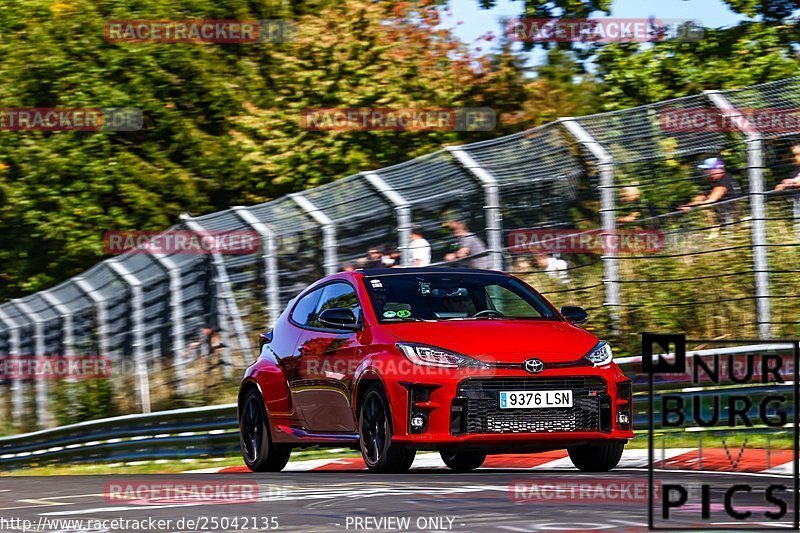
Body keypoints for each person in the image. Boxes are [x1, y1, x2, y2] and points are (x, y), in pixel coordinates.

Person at [678, 157, 742, 227]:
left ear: (715, 170)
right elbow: (702, 196)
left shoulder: (724, 181)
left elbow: (711, 200)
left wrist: (694, 208)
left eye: (707, 169)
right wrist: (689, 206)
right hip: (723, 219)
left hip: (730, 219)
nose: (705, 172)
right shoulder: (715, 182)